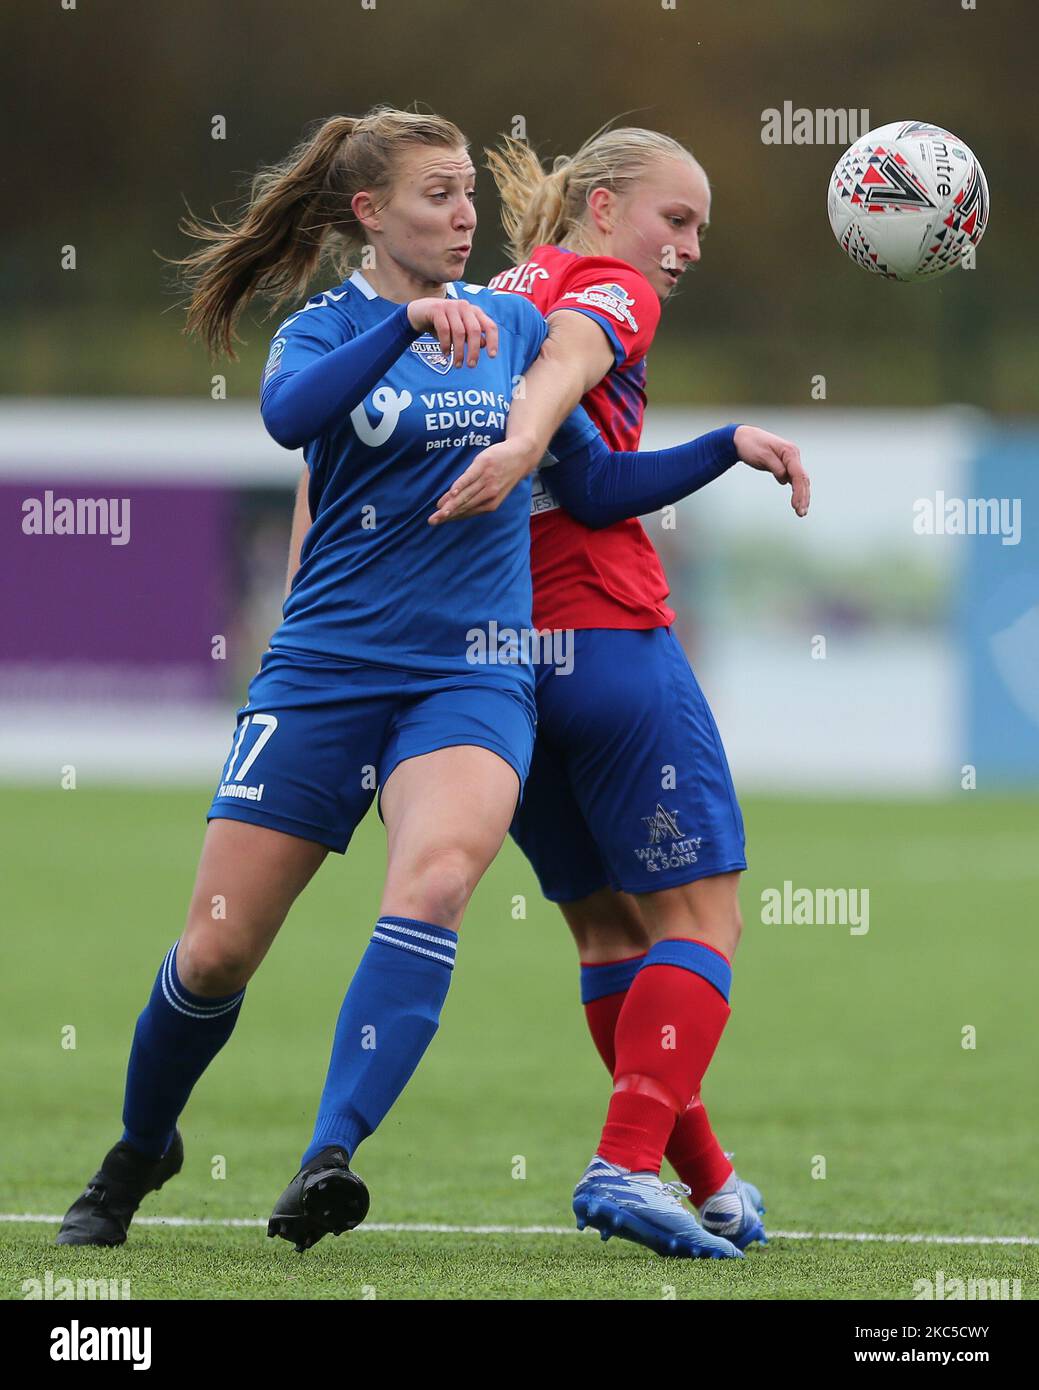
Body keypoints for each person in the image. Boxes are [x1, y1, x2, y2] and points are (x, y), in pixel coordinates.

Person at [54, 105, 599, 1254]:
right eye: (436, 195)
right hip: (323, 674)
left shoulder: (512, 321)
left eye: (468, 194)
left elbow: (590, 478)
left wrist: (729, 445)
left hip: (470, 678)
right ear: (369, 213)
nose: (465, 216)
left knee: (439, 880)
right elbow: (285, 416)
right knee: (213, 949)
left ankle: (328, 1156)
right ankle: (138, 1149)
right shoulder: (325, 331)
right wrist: (405, 326)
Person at [424, 126, 810, 1257]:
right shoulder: (609, 290)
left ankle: (711, 1181)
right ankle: (623, 1162)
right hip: (605, 638)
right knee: (704, 921)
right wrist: (729, 442)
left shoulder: (495, 291)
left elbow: (578, 472)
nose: (683, 248)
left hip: (500, 663)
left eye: (698, 229)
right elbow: (591, 488)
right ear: (598, 208)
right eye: (672, 219)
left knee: (608, 936)